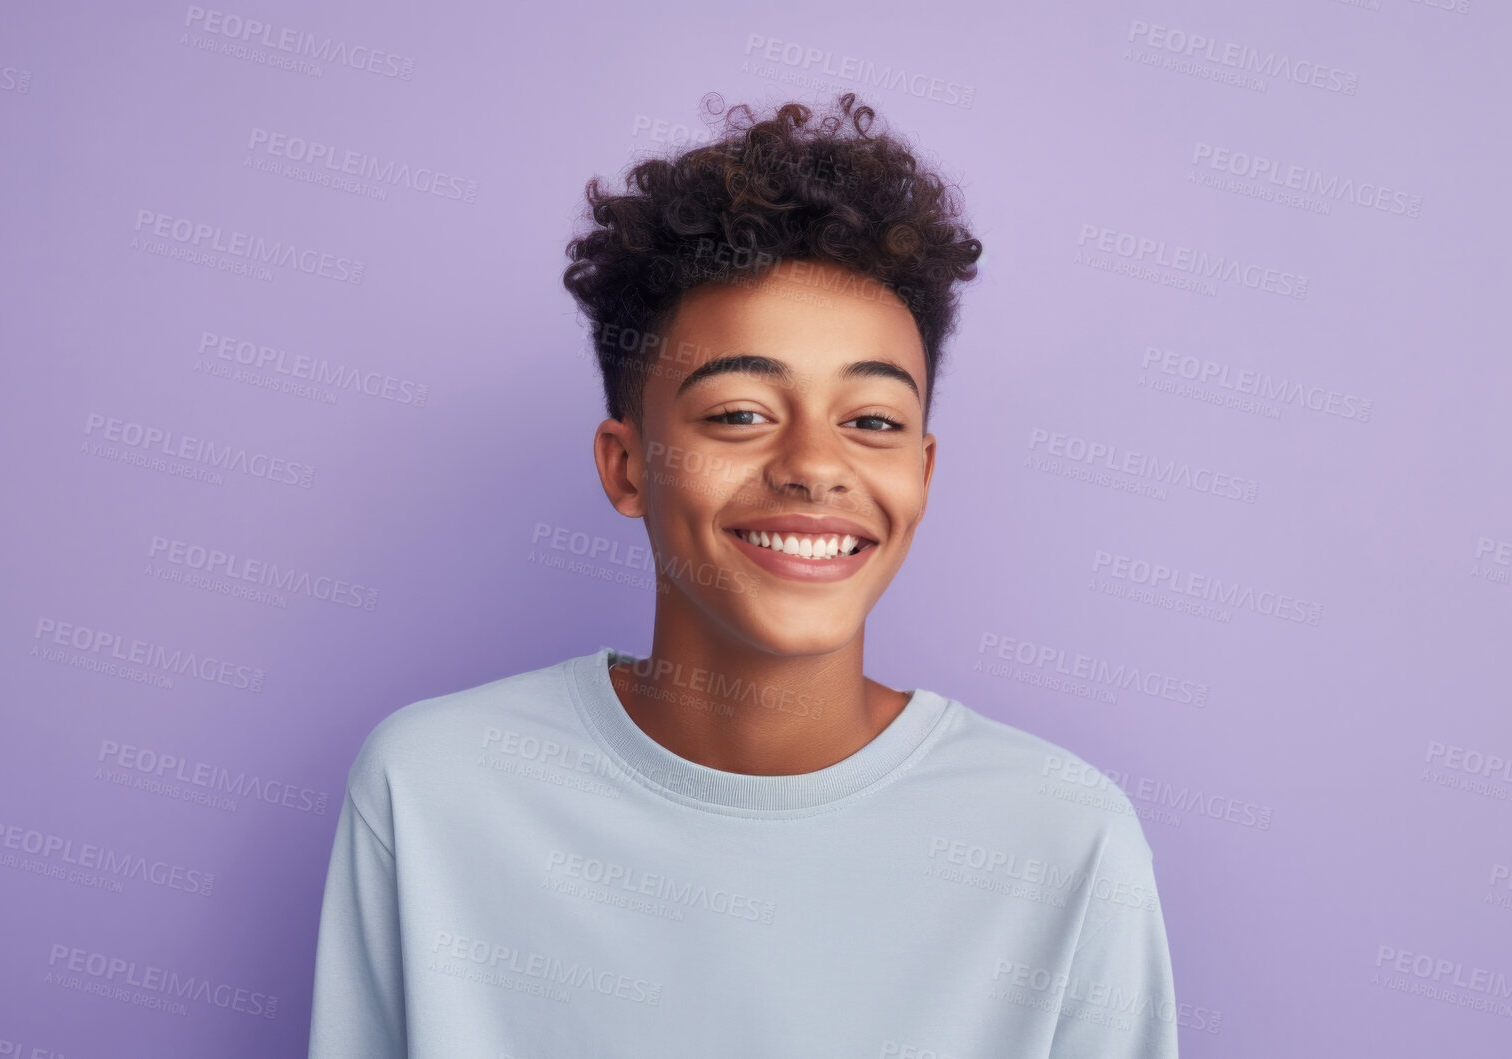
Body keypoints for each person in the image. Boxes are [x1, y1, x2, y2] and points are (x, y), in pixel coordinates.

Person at [306, 92, 1178, 1058]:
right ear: (625, 463)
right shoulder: (433, 789)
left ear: (920, 474)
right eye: (738, 414)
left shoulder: (1063, 837)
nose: (814, 464)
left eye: (873, 421)